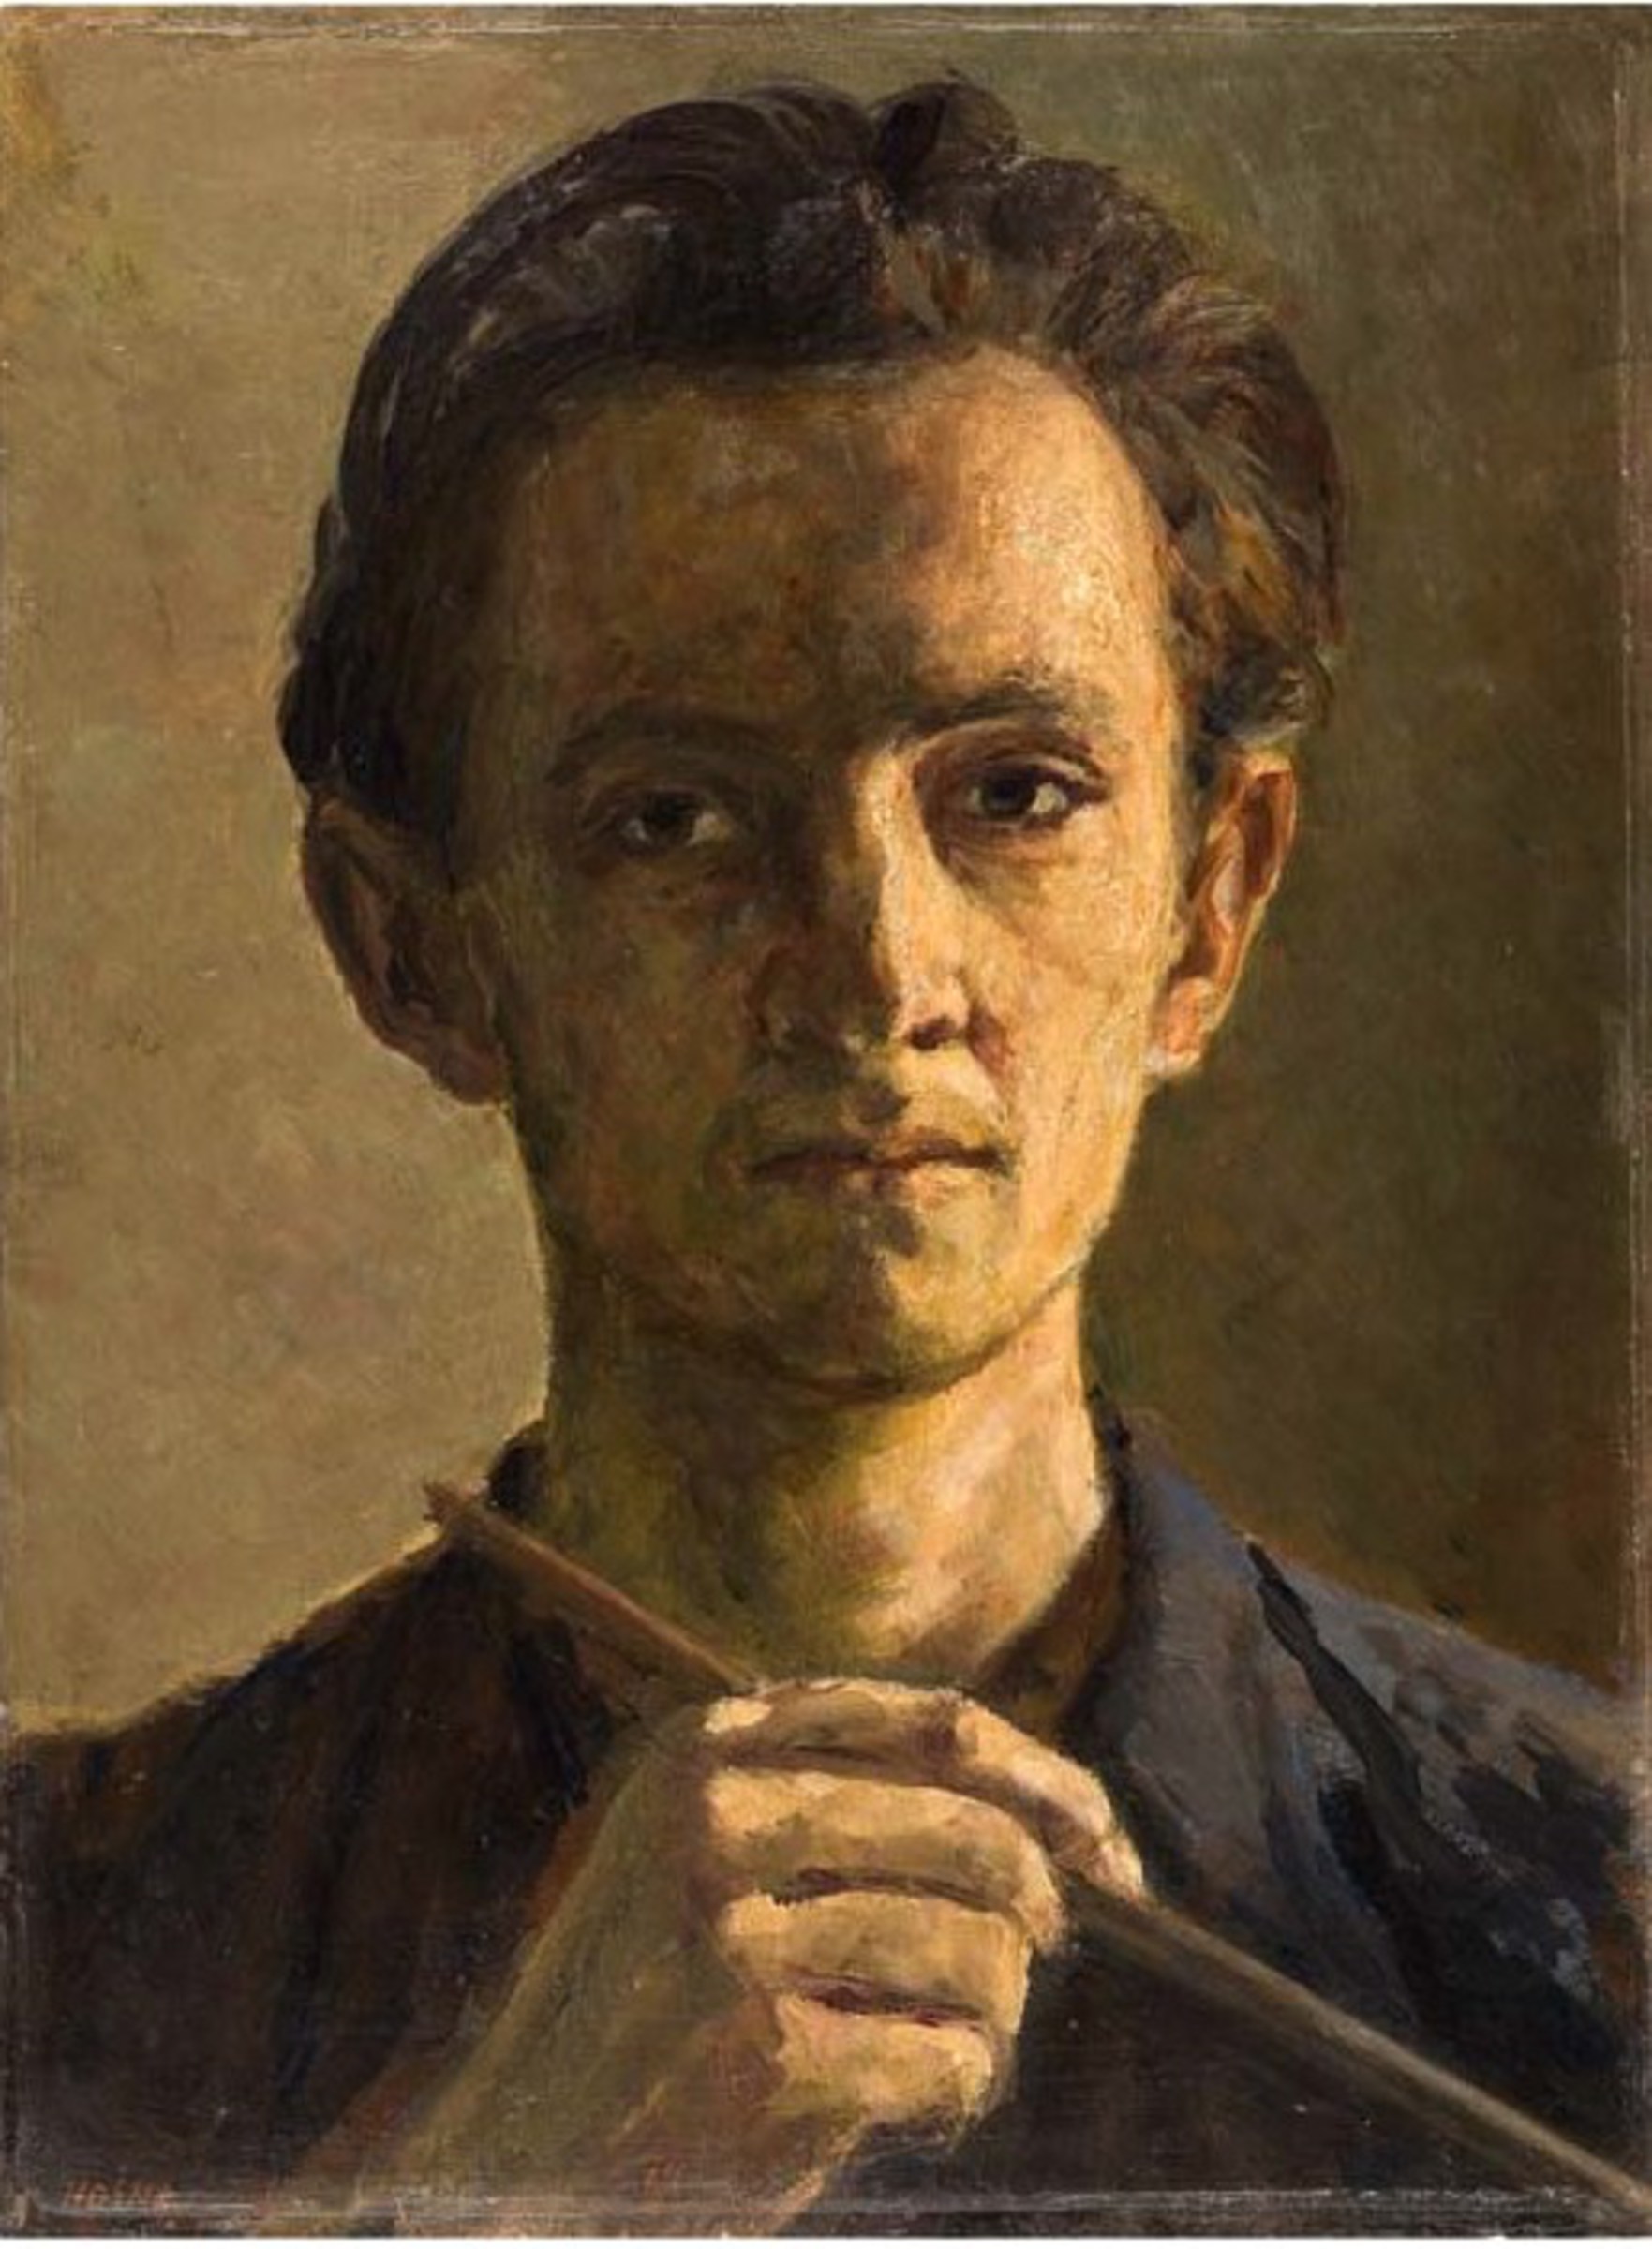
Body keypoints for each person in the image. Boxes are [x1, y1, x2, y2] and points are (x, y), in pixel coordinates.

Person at [8, 78, 1641, 2233]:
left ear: (1211, 909)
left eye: (1015, 794)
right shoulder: (68, 1929)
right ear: (415, 952)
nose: (875, 970)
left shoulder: (1586, 1904)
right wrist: (512, 2203)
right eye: (674, 817)